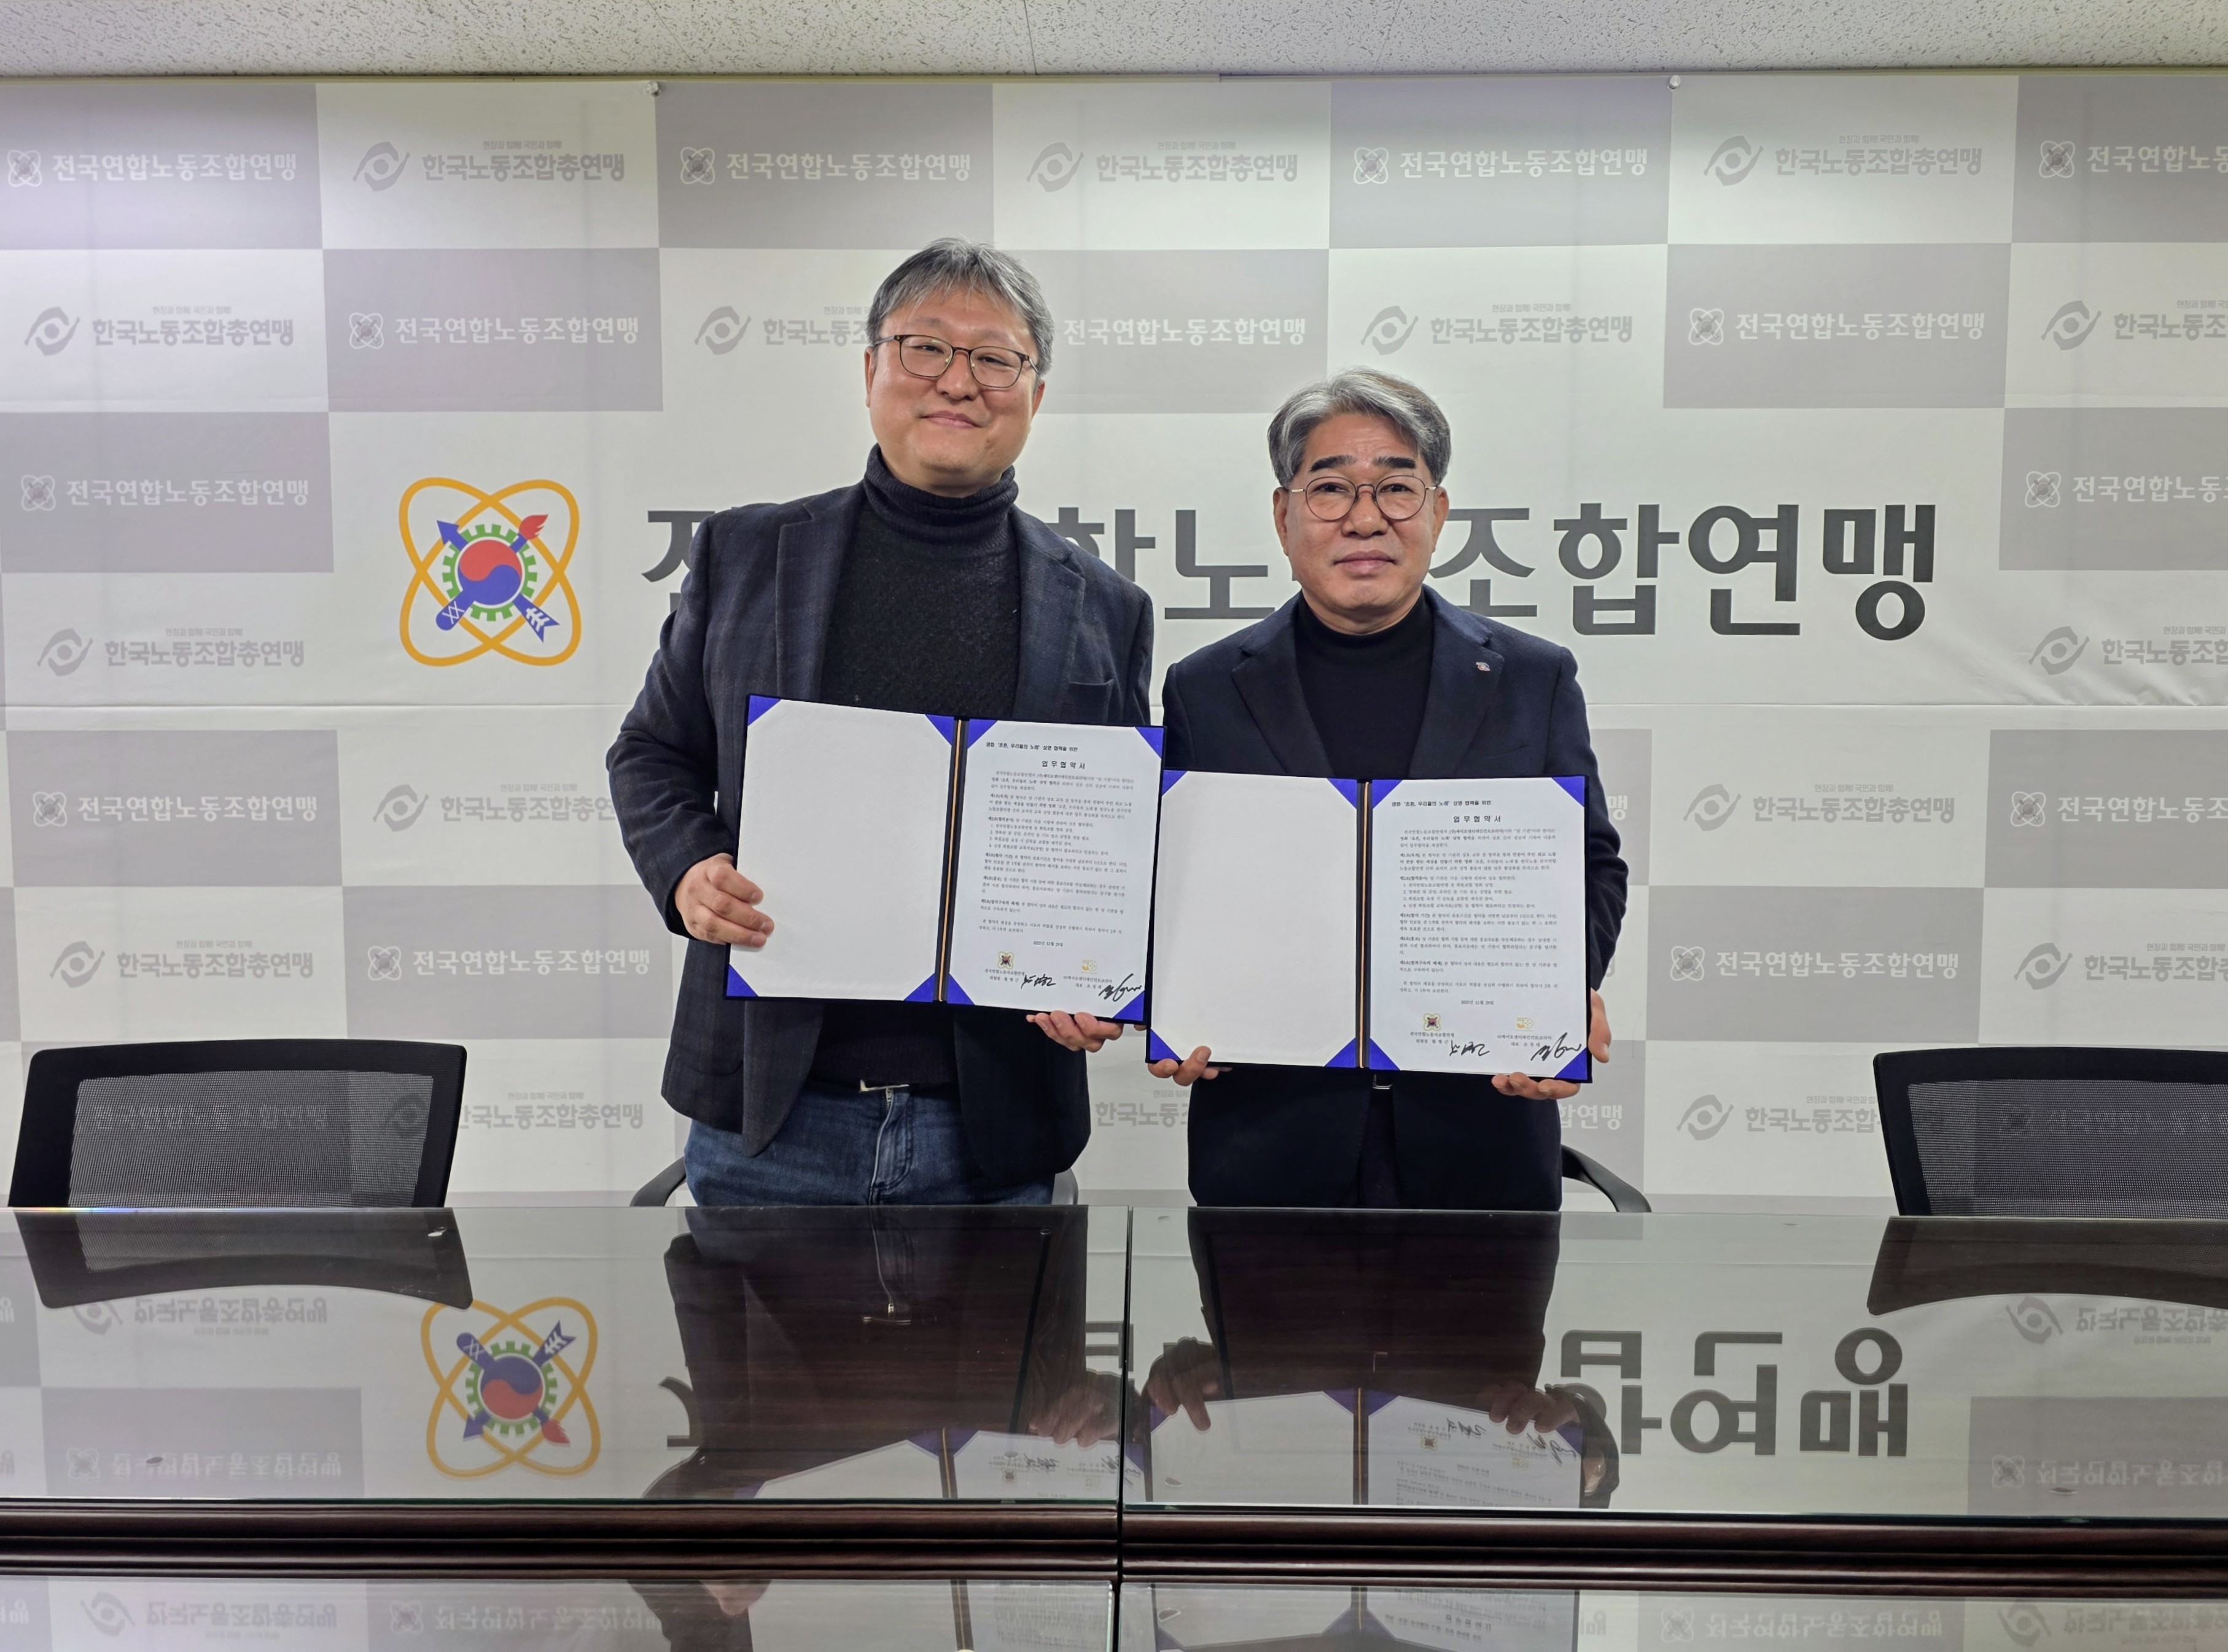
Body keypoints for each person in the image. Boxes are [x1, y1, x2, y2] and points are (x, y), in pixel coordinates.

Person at [609, 239, 1150, 1207]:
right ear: (870, 372)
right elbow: (652, 751)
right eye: (926, 347)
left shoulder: (1105, 606)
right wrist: (689, 867)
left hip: (993, 1127)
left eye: (995, 358)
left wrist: (1098, 968)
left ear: (1035, 395)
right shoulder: (747, 553)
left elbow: (1120, 835)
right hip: (772, 1115)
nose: (959, 381)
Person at [1152, 368, 1626, 1210]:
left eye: (1397, 488)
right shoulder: (1206, 688)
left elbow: (1594, 865)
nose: (1365, 518)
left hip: (1481, 1132)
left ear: (1438, 512)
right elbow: (1175, 885)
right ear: (1284, 515)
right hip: (1270, 1141)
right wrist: (1172, 1001)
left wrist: (1551, 994)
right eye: (1331, 487)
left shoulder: (1533, 677)